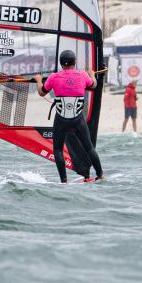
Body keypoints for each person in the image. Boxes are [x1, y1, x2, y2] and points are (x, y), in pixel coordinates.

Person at [34, 50, 103, 184]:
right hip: (78, 119)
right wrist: (92, 75)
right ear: (75, 62)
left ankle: (64, 181)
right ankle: (100, 175)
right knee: (89, 147)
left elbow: (42, 92)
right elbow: (93, 85)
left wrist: (38, 81)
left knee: (58, 149)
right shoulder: (83, 75)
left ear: (61, 64)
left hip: (61, 119)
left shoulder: (53, 77)